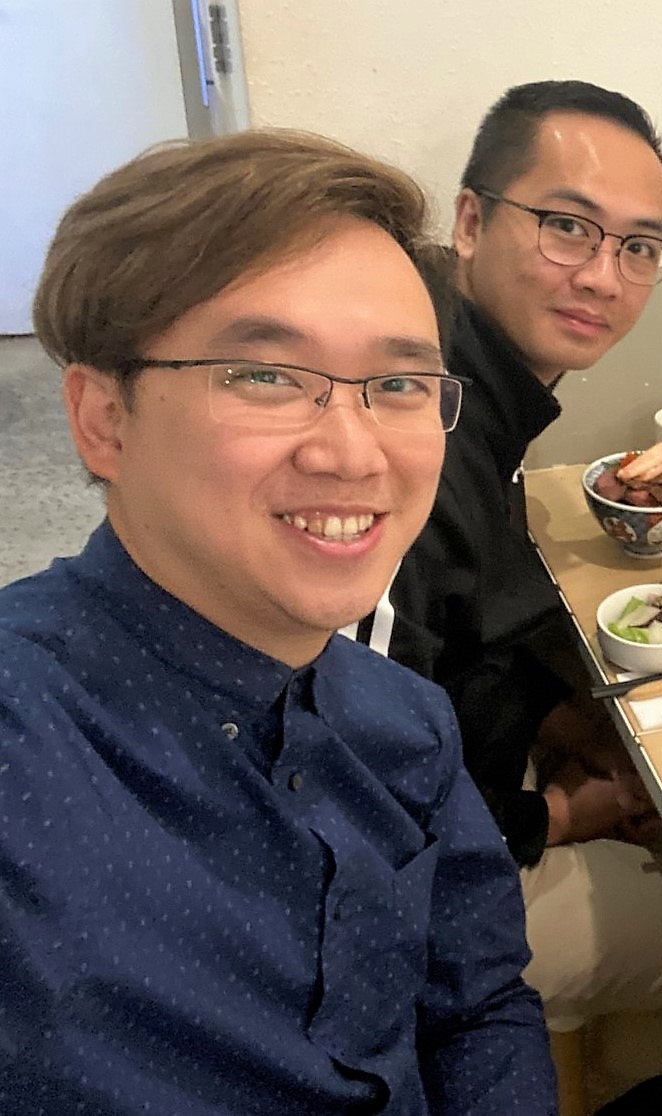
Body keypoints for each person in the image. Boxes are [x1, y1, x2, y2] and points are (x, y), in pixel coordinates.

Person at [2, 131, 556, 1112]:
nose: (352, 454)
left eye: (397, 384)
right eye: (263, 375)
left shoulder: (403, 723)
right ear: (103, 419)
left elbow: (478, 1006)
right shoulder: (27, 748)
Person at [350, 81, 662, 1101]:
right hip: (416, 911)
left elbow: (460, 650)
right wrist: (569, 813)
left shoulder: (467, 380)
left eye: (637, 248)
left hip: (475, 804)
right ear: (472, 220)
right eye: (568, 227)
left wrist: (564, 724)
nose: (602, 276)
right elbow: (369, 817)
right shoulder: (413, 441)